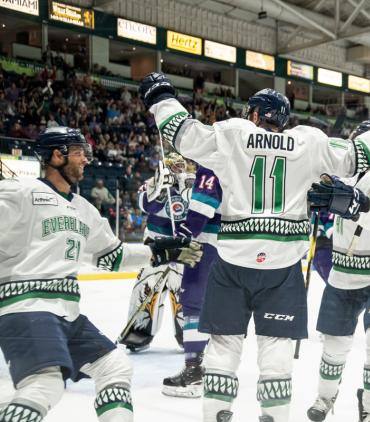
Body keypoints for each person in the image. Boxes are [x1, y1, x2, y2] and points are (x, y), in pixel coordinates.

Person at [138, 72, 370, 422]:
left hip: (233, 265)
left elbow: (182, 132)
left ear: (253, 114)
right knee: (277, 354)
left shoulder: (232, 133)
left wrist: (161, 96)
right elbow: (356, 157)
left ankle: (217, 412)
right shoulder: (308, 143)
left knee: (223, 349)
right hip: (282, 271)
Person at [0, 127, 202, 422]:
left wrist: (161, 251)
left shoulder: (84, 209)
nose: (86, 159)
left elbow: (113, 257)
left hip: (67, 315)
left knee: (115, 367)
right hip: (27, 307)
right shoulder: (20, 192)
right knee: (45, 385)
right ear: (57, 155)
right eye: (79, 152)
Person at [305, 122, 370, 422]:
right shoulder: (347, 175)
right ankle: (326, 397)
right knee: (335, 346)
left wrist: (358, 204)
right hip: (344, 273)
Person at [118, 152, 194, 352]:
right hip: (155, 246)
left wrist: (191, 190)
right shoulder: (153, 183)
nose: (179, 170)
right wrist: (159, 187)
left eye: (181, 166)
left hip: (182, 245)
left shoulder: (190, 184)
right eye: (175, 166)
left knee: (184, 291)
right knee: (146, 287)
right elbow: (144, 204)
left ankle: (188, 333)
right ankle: (139, 331)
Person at [162, 163, 222, 398]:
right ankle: (221, 371)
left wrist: (183, 236)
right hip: (244, 242)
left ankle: (194, 371)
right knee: (228, 308)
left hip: (208, 242)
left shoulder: (213, 156)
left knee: (194, 303)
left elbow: (202, 206)